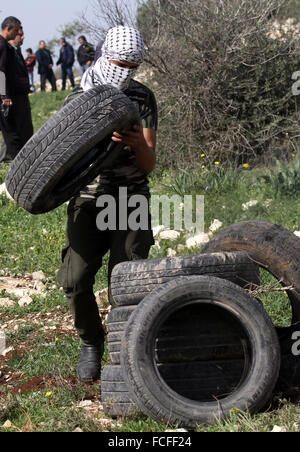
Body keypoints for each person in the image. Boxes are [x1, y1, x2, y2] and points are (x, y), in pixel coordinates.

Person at [57, 26, 158, 383]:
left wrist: (136, 144)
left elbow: (149, 164)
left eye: (133, 66)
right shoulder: (76, 99)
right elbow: (57, 160)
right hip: (87, 199)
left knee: (126, 279)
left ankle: (123, 348)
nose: (125, 72)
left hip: (129, 197)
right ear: (105, 56)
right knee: (76, 278)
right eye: (120, 63)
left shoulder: (142, 99)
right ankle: (91, 343)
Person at [0, 17, 34, 162]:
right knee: (12, 135)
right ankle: (14, 166)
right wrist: (4, 96)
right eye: (17, 29)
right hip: (6, 98)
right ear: (8, 28)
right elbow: (1, 72)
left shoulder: (8, 48)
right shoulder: (2, 46)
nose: (19, 32)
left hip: (13, 96)